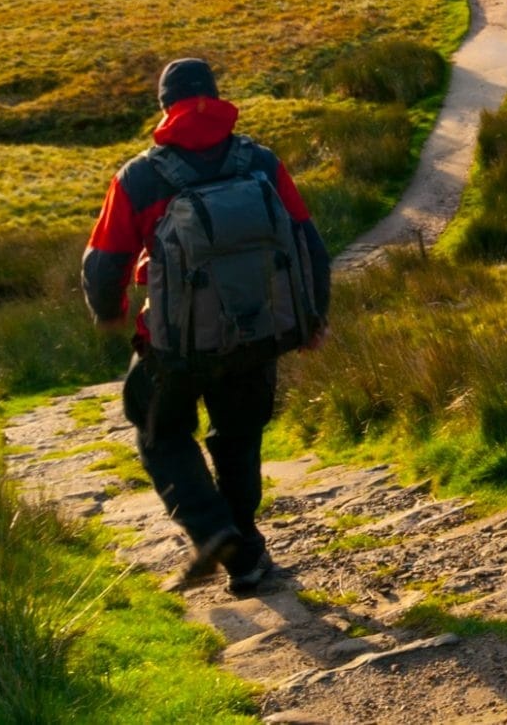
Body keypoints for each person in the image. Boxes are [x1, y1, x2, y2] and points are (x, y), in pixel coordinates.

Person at [83, 57, 332, 593]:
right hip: (258, 333)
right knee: (239, 438)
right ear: (217, 98)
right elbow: (310, 245)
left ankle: (219, 533)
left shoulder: (140, 177)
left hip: (173, 347)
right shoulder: (261, 163)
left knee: (160, 434)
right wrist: (313, 319)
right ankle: (245, 545)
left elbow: (103, 263)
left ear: (165, 107)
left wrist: (109, 312)